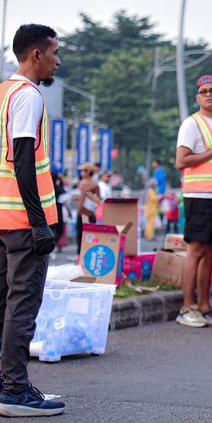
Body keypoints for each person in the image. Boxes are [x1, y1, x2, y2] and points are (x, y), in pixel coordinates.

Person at [0, 23, 65, 416]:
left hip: (2, 217)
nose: (58, 60)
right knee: (22, 305)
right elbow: (23, 160)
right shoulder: (28, 96)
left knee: (3, 303)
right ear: (37, 54)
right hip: (23, 223)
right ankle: (14, 390)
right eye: (55, 52)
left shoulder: (3, 92)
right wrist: (40, 222)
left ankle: (4, 383)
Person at [175, 74, 212, 327]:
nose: (208, 95)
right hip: (199, 196)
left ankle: (204, 307)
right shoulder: (192, 124)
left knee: (211, 253)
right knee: (196, 251)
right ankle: (186, 307)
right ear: (197, 97)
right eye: (203, 92)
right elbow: (181, 161)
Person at [75, 163, 100, 255]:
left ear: (89, 172)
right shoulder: (81, 183)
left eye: (84, 171)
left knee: (88, 235)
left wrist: (89, 196)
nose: (82, 172)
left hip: (88, 212)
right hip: (82, 212)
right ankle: (80, 254)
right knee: (81, 235)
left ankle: (86, 254)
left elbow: (98, 199)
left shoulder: (94, 185)